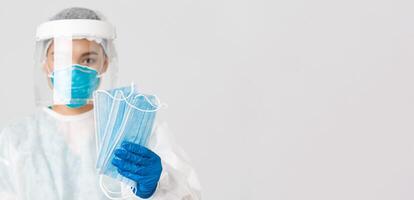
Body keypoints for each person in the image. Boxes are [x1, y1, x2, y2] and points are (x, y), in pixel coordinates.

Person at [0, 7, 201, 200]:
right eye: (61, 58)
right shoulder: (14, 141)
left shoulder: (136, 131)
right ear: (45, 63)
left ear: (105, 63)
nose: (74, 70)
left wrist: (157, 188)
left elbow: (187, 196)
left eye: (87, 60)